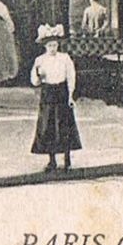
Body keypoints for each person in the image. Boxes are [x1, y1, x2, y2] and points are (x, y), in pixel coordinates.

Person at [29, 24, 80, 173]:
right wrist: (39, 76)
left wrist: (70, 95)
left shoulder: (64, 58)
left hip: (61, 92)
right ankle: (51, 160)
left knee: (64, 126)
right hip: (48, 93)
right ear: (45, 46)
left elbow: (71, 76)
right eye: (50, 45)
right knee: (48, 126)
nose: (53, 48)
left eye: (55, 45)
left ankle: (67, 159)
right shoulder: (40, 60)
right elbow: (34, 80)